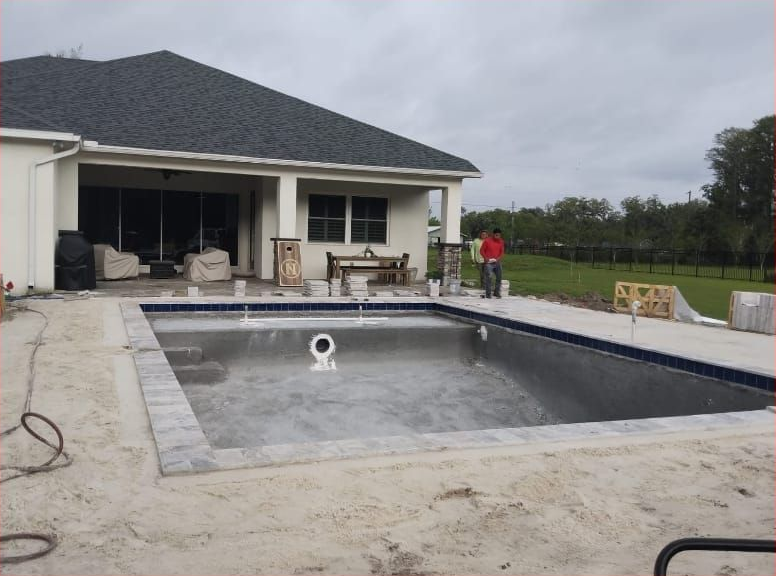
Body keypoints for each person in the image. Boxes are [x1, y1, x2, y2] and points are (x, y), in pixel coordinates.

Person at [479, 228, 505, 298]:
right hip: (488, 262)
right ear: (493, 234)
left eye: (499, 235)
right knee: (489, 277)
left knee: (499, 277)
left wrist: (498, 259)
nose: (498, 237)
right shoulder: (487, 241)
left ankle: (496, 292)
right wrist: (485, 258)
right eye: (496, 235)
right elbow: (481, 251)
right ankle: (488, 294)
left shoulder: (501, 241)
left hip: (497, 262)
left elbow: (502, 252)